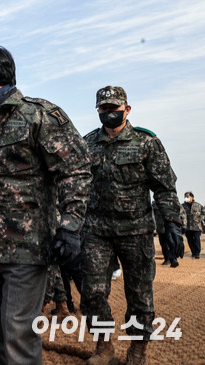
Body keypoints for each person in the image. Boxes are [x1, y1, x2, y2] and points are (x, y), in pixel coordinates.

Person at [0, 46, 92, 364]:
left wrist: (70, 226)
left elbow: (76, 168)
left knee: (17, 332)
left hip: (26, 248)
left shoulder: (39, 114)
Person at [80, 86, 184, 365]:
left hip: (136, 231)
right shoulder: (87, 143)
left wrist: (173, 222)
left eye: (114, 108)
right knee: (92, 293)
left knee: (139, 295)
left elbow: (164, 188)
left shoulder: (146, 142)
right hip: (96, 231)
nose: (109, 113)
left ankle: (137, 350)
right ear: (98, 111)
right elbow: (74, 184)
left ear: (127, 109)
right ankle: (104, 348)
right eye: (103, 109)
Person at [153, 200, 187, 267]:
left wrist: (184, 226)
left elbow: (182, 214)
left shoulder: (174, 202)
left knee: (172, 243)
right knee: (163, 245)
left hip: (172, 226)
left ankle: (173, 259)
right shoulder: (155, 204)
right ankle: (167, 259)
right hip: (160, 227)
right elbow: (152, 216)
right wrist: (153, 228)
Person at [182, 192, 205, 259]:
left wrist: (199, 219)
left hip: (197, 227)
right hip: (187, 226)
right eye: (185, 197)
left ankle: (197, 253)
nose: (186, 198)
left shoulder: (198, 205)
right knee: (190, 240)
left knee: (196, 239)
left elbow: (204, 213)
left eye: (188, 196)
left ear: (192, 197)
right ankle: (193, 252)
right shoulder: (183, 206)